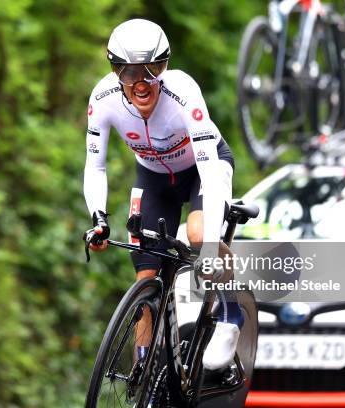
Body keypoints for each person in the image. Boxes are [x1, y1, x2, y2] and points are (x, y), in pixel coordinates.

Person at [83, 18, 242, 371]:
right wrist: (98, 218)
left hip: (204, 169)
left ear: (163, 67)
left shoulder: (183, 94)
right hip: (154, 179)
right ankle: (144, 369)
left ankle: (231, 316)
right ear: (115, 72)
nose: (140, 83)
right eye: (128, 73)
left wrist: (212, 247)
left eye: (150, 71)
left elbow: (208, 169)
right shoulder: (103, 99)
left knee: (201, 235)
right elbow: (95, 167)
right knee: (146, 273)